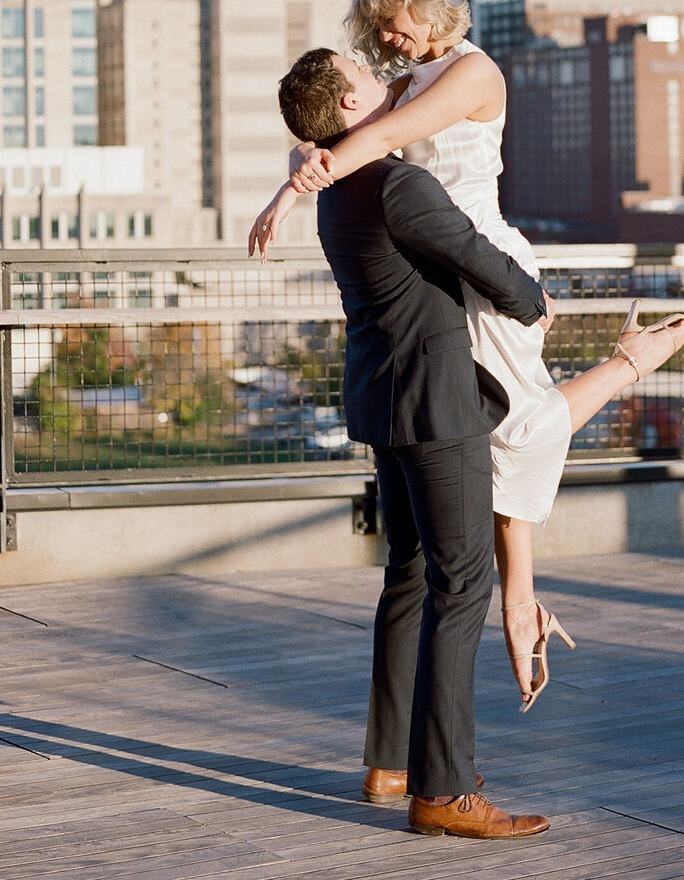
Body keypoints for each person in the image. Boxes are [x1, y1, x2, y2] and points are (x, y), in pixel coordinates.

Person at [251, 0, 684, 711]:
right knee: (491, 432)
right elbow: (336, 131)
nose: (387, 34)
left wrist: (296, 193)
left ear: (431, 8)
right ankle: (522, 600)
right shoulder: (407, 77)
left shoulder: (471, 72)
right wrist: (289, 186)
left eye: (396, 18)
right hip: (440, 272)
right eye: (377, 25)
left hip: (484, 263)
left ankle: (627, 369)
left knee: (518, 426)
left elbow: (376, 137)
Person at [277, 45, 552, 839]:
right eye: (365, 79)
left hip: (382, 402)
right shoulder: (400, 185)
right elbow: (473, 254)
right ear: (354, 107)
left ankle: (391, 760)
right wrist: (533, 301)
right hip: (435, 406)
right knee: (461, 586)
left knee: (407, 575)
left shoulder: (338, 192)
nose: (380, 79)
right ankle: (445, 787)